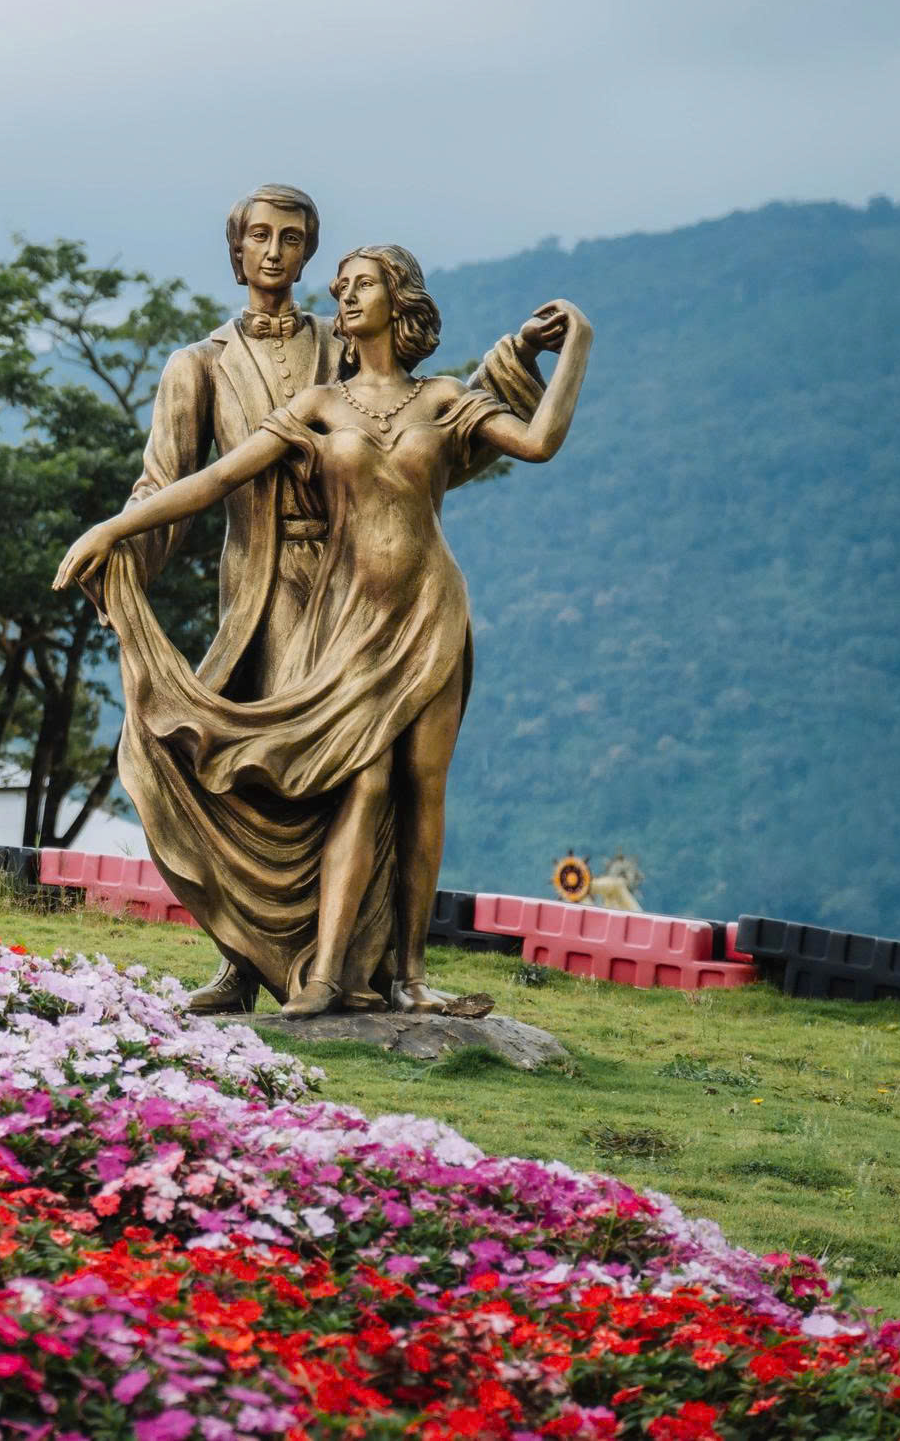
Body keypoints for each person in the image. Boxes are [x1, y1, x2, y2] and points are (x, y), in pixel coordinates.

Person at [59, 245, 591, 1016]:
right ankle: (324, 975)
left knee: (422, 787)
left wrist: (576, 346)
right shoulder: (319, 405)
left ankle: (410, 976)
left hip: (431, 609)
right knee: (361, 782)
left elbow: (539, 442)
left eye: (361, 284)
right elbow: (215, 478)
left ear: (399, 299)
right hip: (348, 617)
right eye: (340, 287)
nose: (344, 295)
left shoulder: (445, 398)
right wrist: (113, 529)